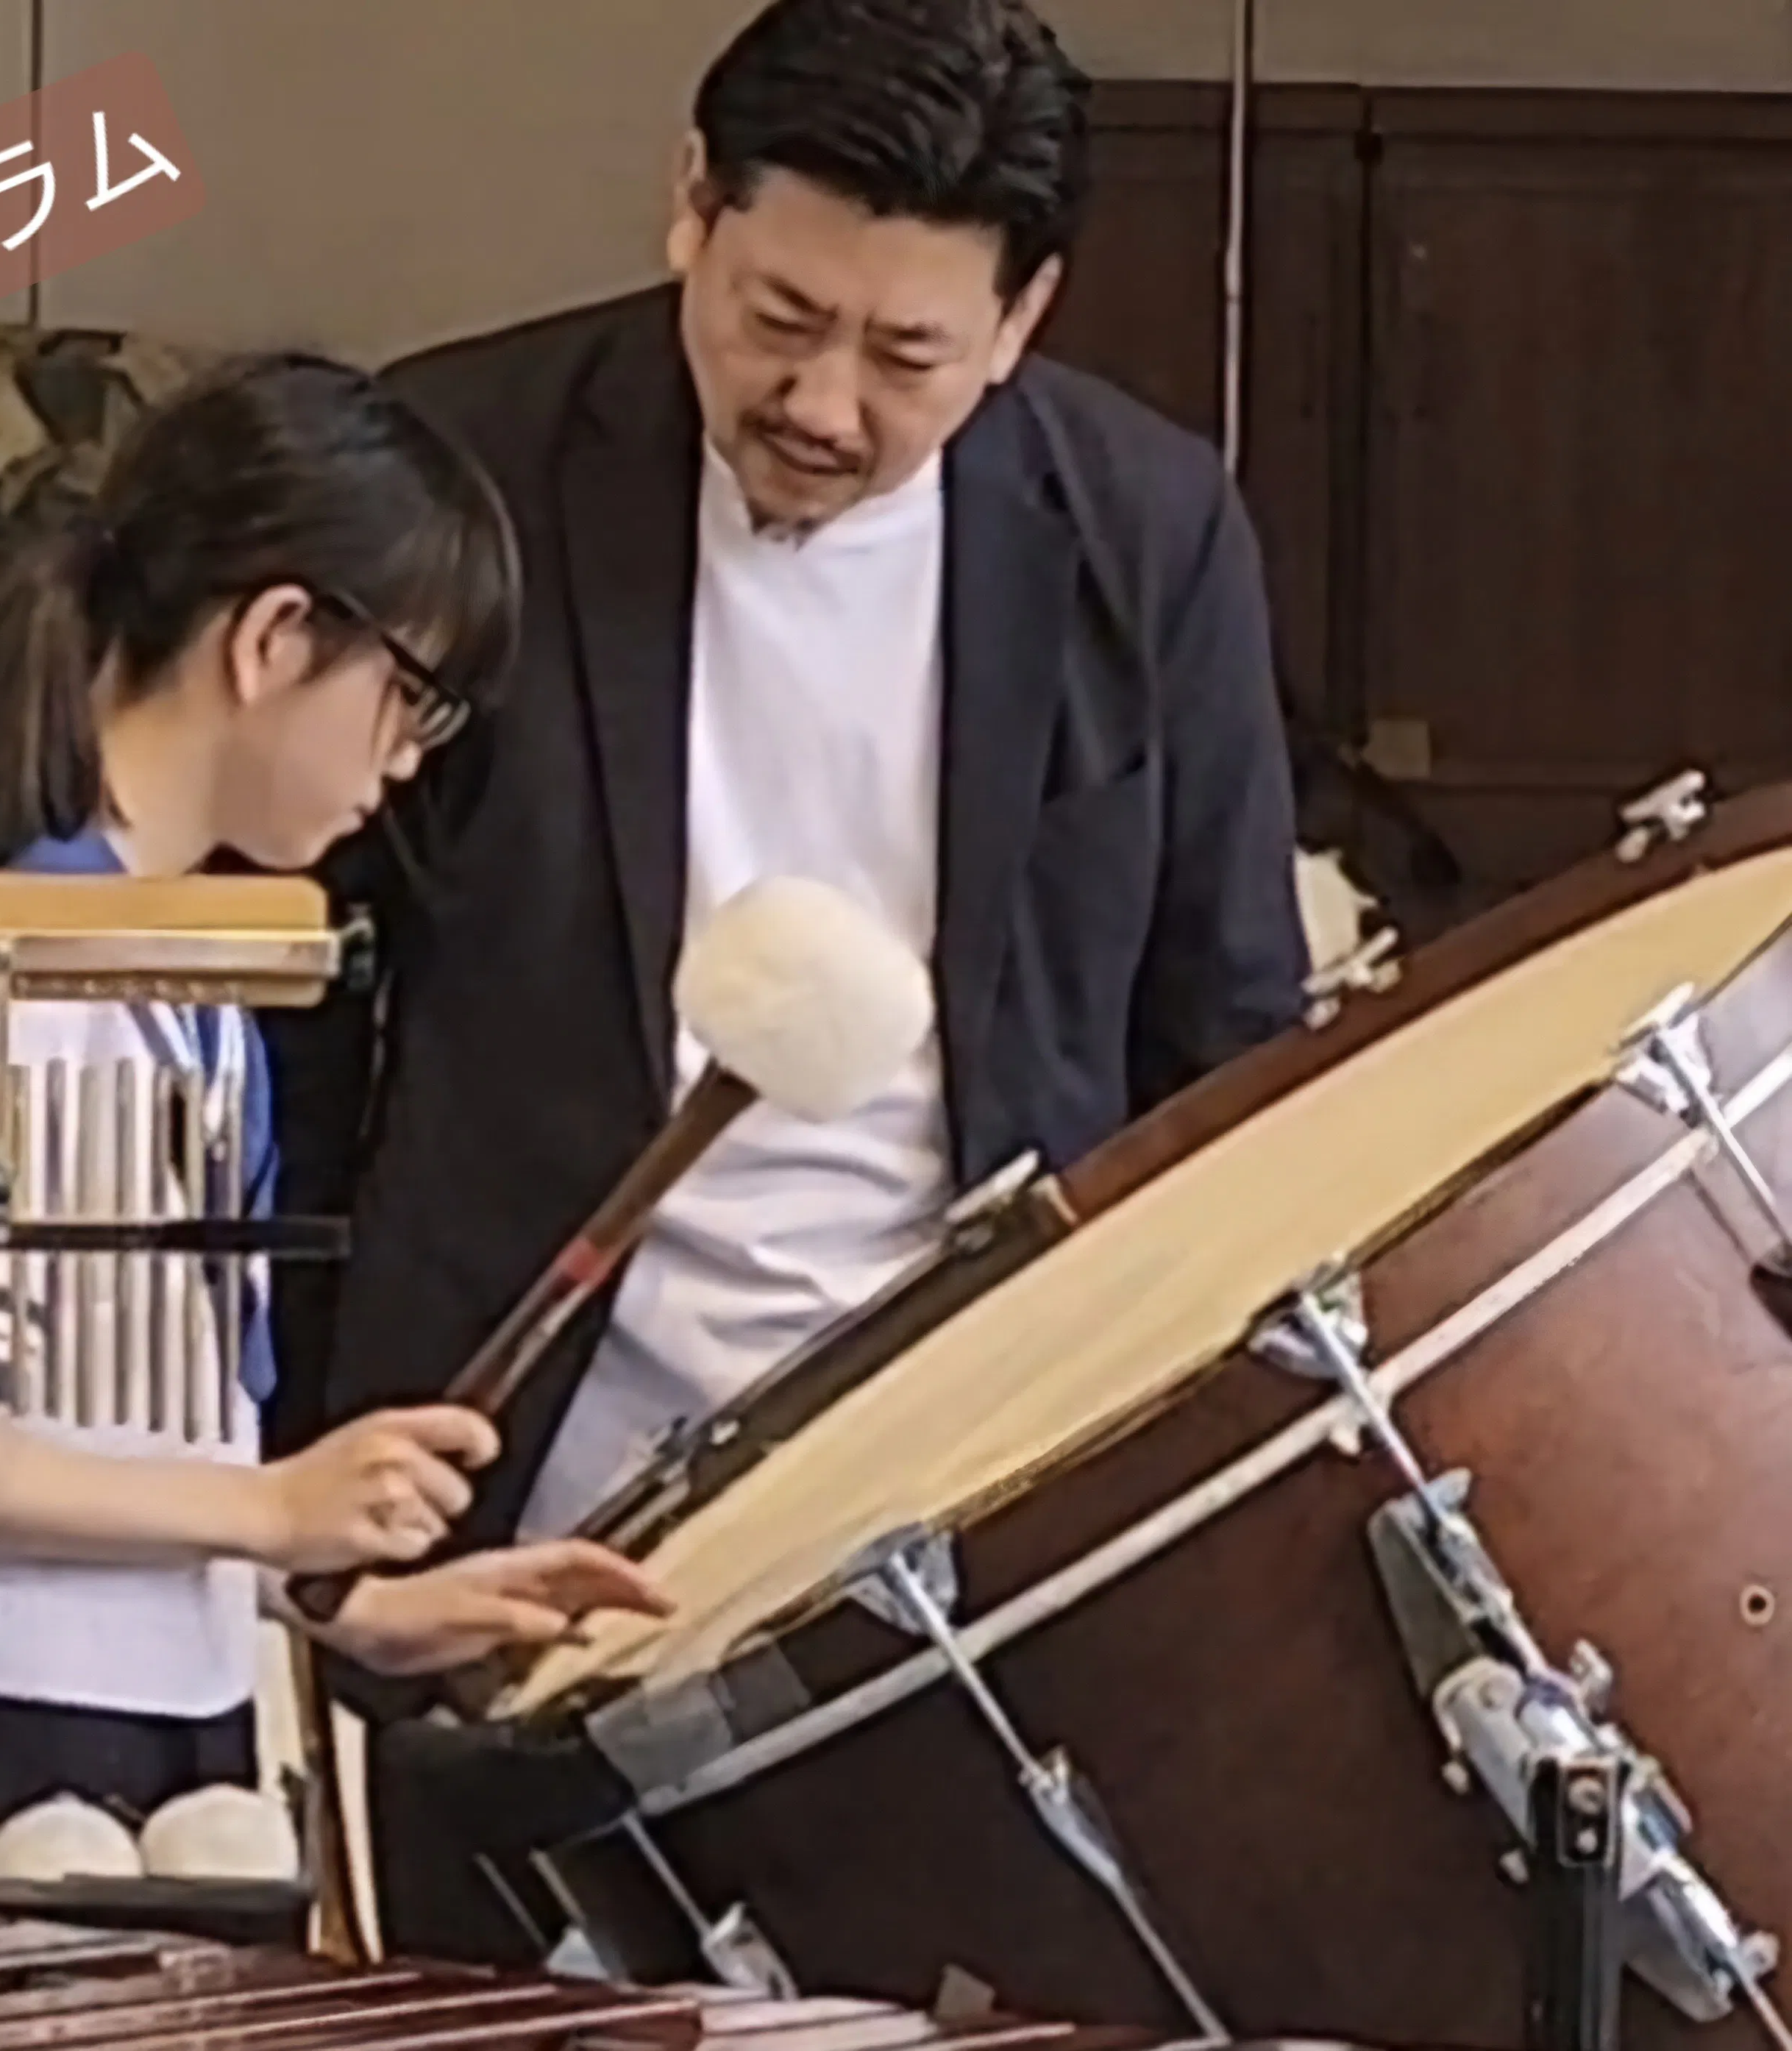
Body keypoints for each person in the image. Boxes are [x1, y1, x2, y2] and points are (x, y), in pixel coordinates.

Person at [258, 0, 1312, 1963]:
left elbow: (1225, 1041)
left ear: (1020, 316)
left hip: (977, 1483)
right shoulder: (470, 470)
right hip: (517, 1474)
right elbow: (297, 1005)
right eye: (778, 317)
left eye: (907, 354)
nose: (823, 400)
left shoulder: (1147, 532)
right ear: (690, 205)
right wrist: (287, 1480)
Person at [0, 350, 672, 1838]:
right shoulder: (5, 979)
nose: (405, 764)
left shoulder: (171, 962)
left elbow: (101, 1442)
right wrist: (272, 1506)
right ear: (276, 638)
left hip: (119, 1722)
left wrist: (342, 1595)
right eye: (410, 699)